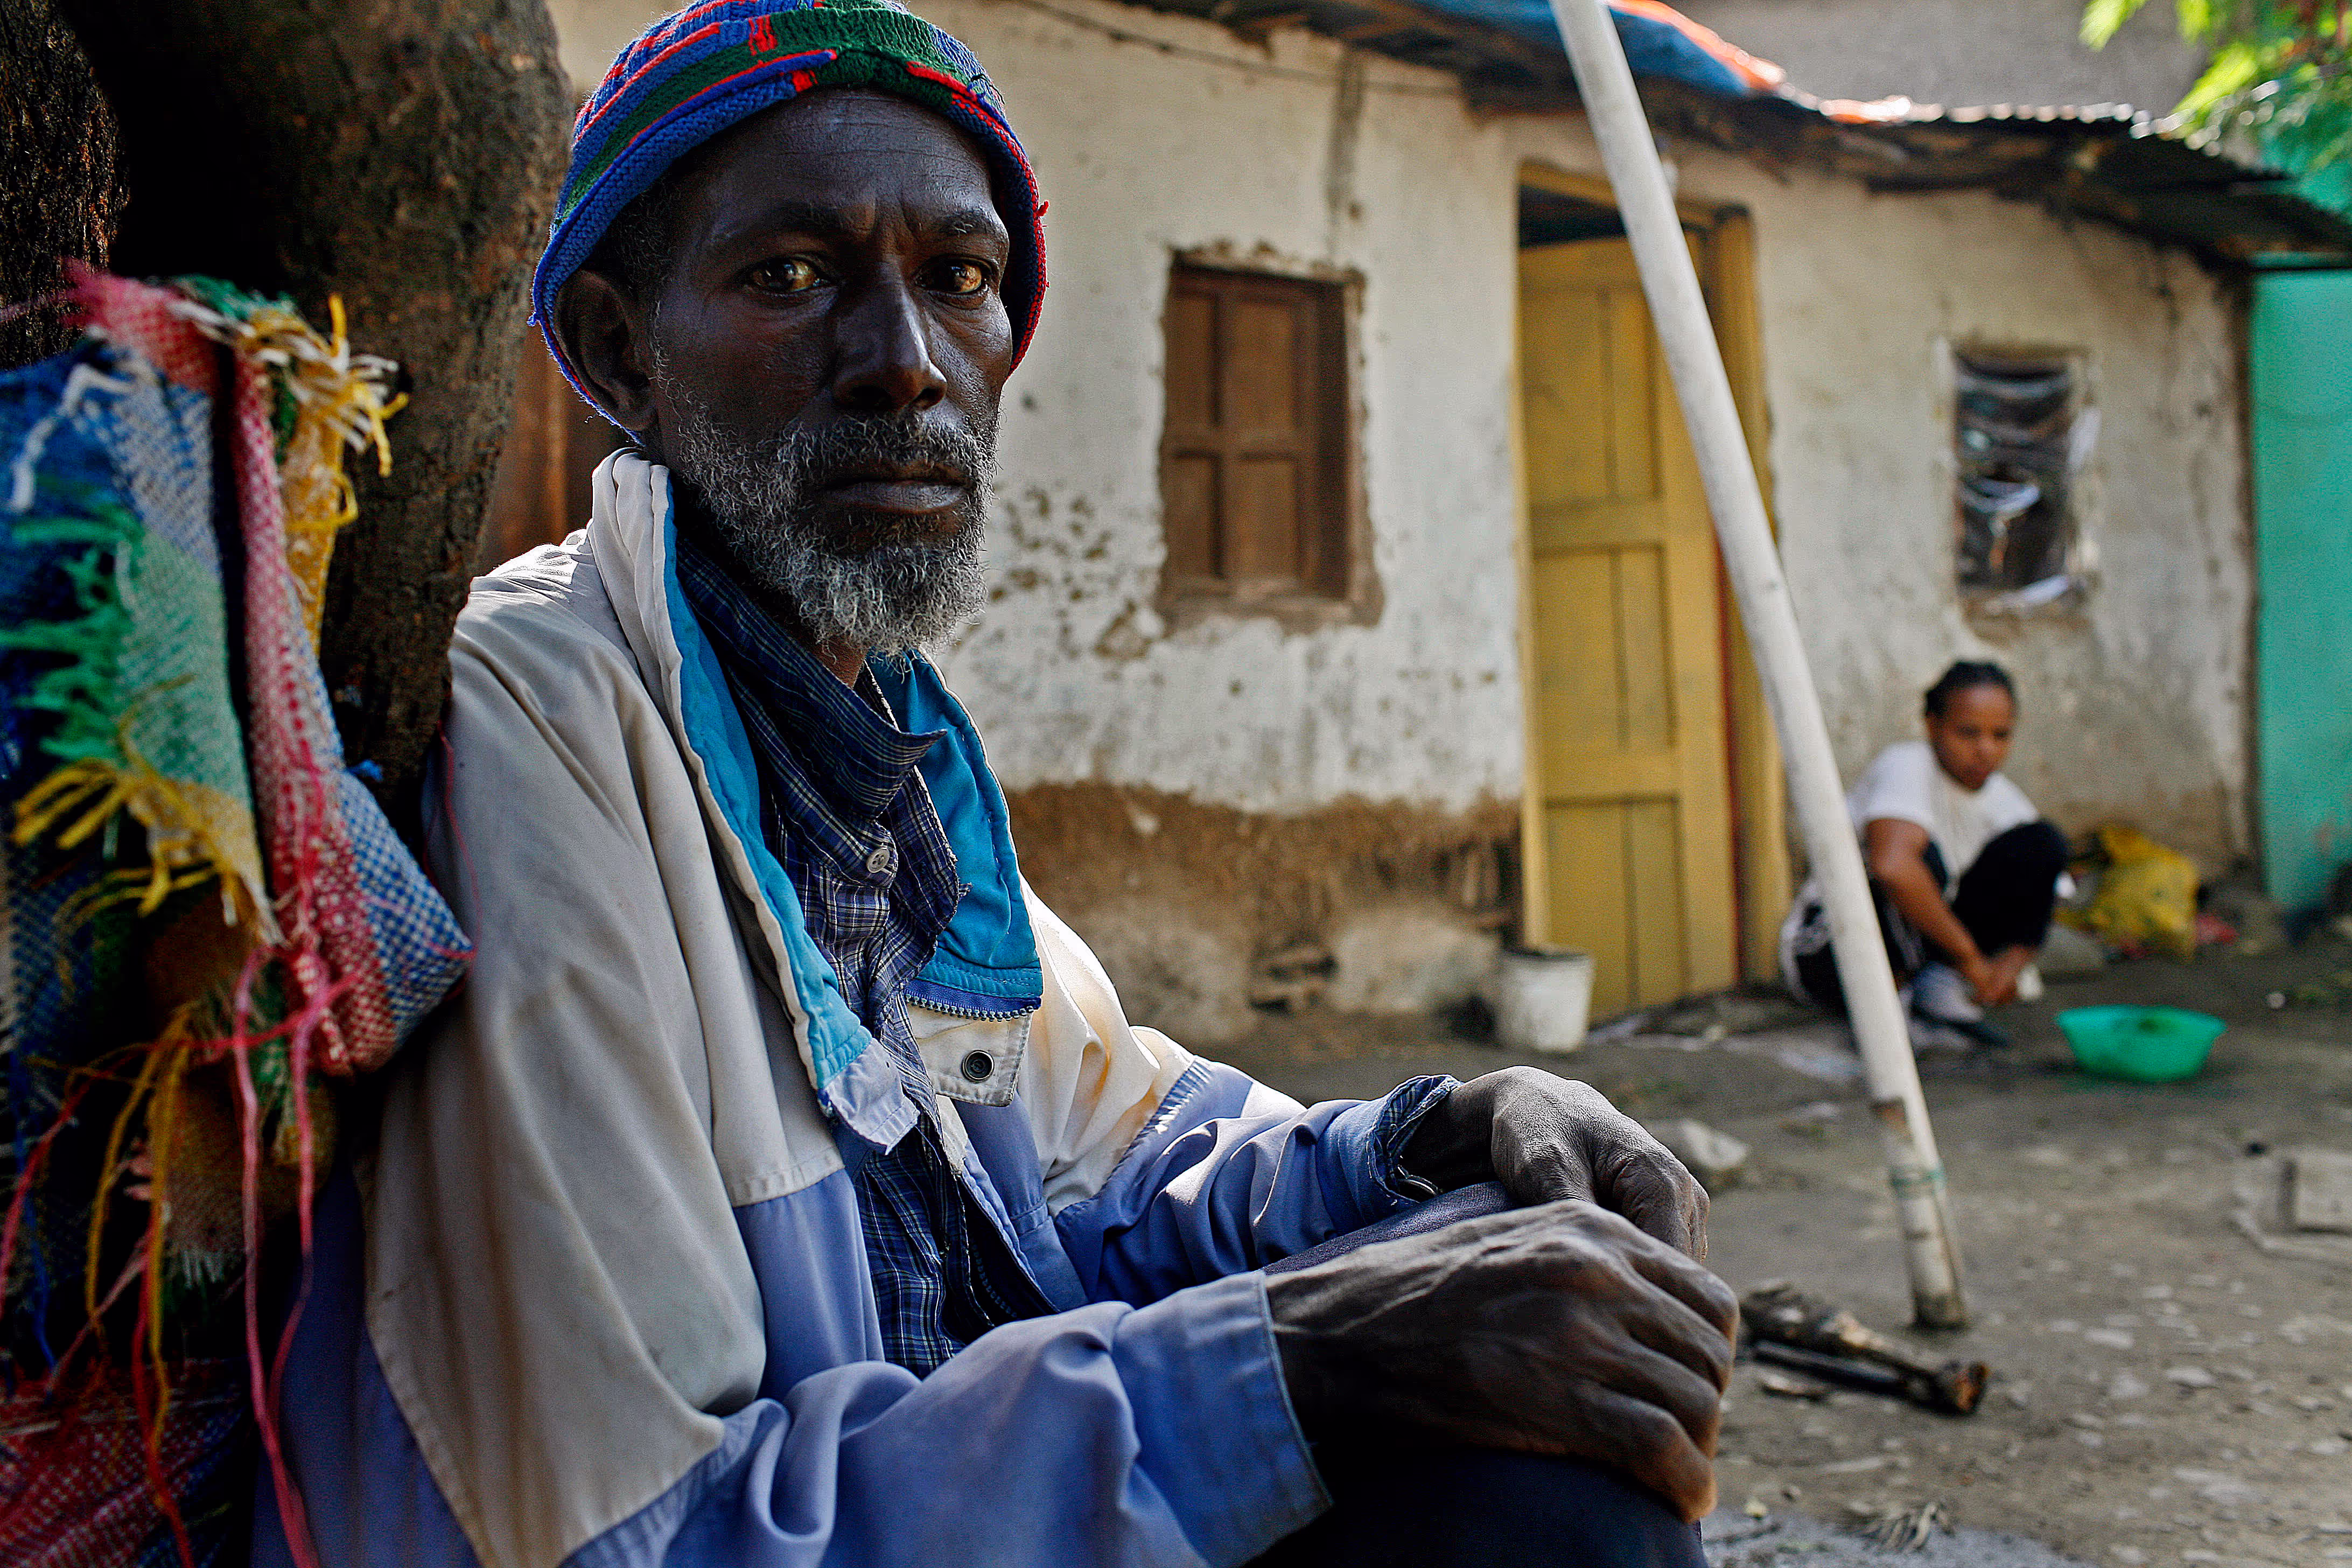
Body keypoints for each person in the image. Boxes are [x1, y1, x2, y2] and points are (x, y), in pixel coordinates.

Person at [254, 4, 1739, 1565]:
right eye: (790, 276)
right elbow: (642, 1533)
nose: (904, 364)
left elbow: (1114, 1151)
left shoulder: (870, 742)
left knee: (1523, 1332)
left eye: (956, 279)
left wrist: (1442, 1136)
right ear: (626, 352)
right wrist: (1305, 1353)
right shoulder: (537, 721)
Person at [1780, 660, 2070, 1033]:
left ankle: (1934, 988)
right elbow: (1893, 867)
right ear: (1933, 726)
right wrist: (1971, 962)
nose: (1985, 750)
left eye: (2000, 735)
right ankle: (1895, 1010)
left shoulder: (2005, 802)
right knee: (1916, 862)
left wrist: (2008, 968)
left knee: (2042, 844)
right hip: (1828, 949)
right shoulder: (1907, 765)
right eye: (1968, 733)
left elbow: (2046, 895)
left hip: (1921, 951)